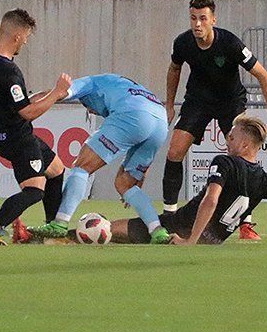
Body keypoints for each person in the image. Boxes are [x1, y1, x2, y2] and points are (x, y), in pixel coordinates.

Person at [111, 115, 267, 248]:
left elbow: (211, 199)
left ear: (245, 145)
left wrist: (191, 240)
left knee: (107, 230)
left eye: (231, 137)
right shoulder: (265, 179)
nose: (227, 141)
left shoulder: (224, 162)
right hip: (214, 241)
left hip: (177, 227)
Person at [161, 0, 267, 240]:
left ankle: (245, 224)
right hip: (198, 101)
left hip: (230, 102)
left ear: (213, 20)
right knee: (175, 151)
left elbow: (262, 74)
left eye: (203, 19)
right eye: (193, 18)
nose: (197, 24)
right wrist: (170, 104)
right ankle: (168, 218)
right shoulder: (183, 43)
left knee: (240, 159)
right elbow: (174, 69)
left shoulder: (230, 44)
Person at [26, 74, 173, 244]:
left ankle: (59, 224)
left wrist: (21, 106)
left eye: (87, 105)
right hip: (160, 121)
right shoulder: (121, 84)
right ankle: (158, 231)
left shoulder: (89, 83)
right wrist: (139, 178)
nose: (90, 110)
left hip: (133, 113)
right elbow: (142, 166)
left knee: (81, 166)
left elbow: (55, 93)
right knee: (125, 184)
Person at [0, 9, 69, 245]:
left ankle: (52, 227)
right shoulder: (10, 71)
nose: (26, 41)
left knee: (56, 169)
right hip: (18, 139)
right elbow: (27, 112)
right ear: (17, 37)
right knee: (34, 190)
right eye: (26, 37)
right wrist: (56, 93)